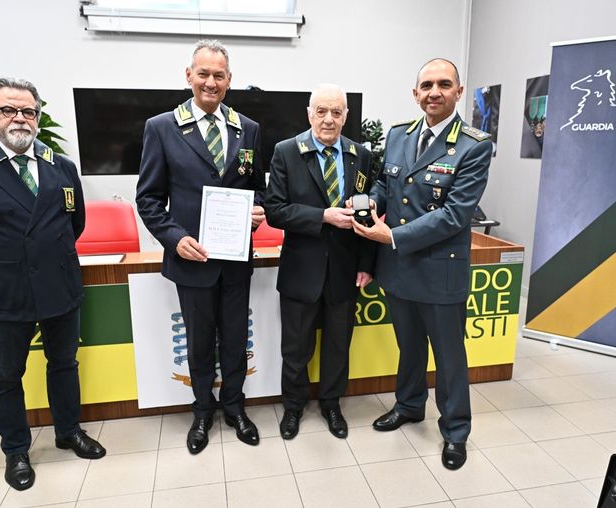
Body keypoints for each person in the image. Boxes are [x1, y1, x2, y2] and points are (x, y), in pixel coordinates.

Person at [0, 77, 106, 491]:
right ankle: (16, 450)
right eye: (8, 110)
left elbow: (75, 224)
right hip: (8, 289)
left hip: (59, 285)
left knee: (64, 364)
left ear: (38, 116)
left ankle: (68, 431)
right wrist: (5, 263)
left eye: (28, 111)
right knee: (7, 374)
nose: (20, 118)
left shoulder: (60, 166)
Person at [353, 59, 491, 470]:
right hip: (398, 268)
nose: (434, 92)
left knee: (449, 358)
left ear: (458, 92)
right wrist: (370, 202)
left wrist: (391, 236)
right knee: (409, 347)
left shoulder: (474, 145)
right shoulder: (399, 134)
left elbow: (455, 214)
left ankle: (455, 431)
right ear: (416, 94)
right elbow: (385, 183)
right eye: (426, 85)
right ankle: (409, 405)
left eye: (444, 84)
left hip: (438, 270)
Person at [136, 40, 266, 454]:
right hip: (192, 260)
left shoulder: (248, 128)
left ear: (230, 80)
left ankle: (235, 408)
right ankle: (203, 411)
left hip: (236, 259)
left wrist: (258, 210)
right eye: (204, 73)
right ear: (189, 75)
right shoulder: (161, 127)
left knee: (235, 338)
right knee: (199, 341)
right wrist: (175, 239)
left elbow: (257, 188)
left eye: (219, 75)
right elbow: (148, 199)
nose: (211, 82)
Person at [264, 84, 374, 440]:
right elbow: (274, 210)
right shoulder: (286, 152)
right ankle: (293, 407)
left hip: (345, 268)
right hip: (301, 269)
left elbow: (367, 213)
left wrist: (367, 263)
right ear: (309, 113)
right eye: (322, 111)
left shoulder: (360, 155)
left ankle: (331, 404)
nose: (329, 119)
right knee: (296, 348)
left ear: (345, 116)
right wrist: (322, 216)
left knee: (338, 345)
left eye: (336, 112)